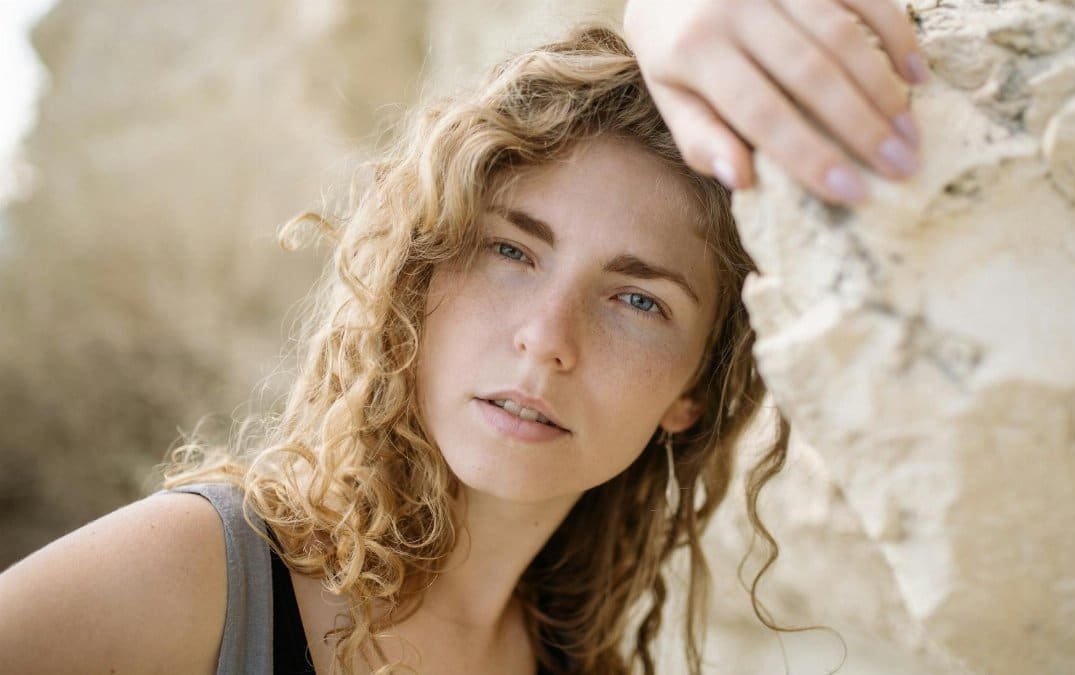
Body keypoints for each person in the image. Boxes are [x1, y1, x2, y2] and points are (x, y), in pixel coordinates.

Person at [0, 4, 923, 674]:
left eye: (637, 301)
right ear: (421, 278)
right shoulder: (203, 572)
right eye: (511, 251)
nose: (546, 340)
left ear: (693, 389)